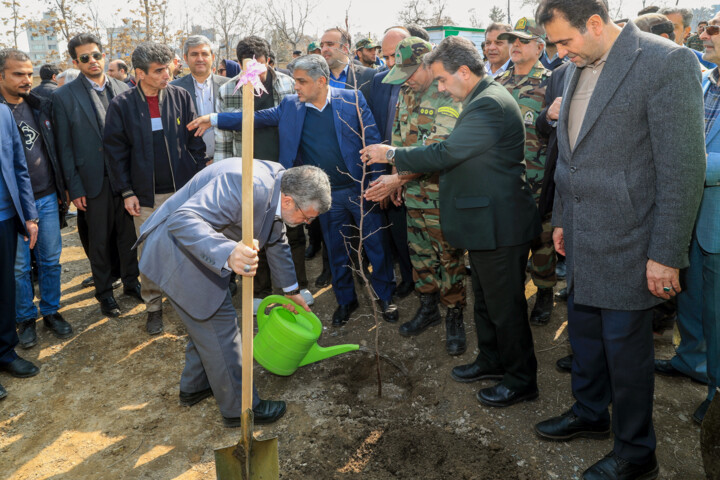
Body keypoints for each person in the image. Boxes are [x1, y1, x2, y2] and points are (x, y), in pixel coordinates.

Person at [533, 2, 706, 479]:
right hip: (584, 235)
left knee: (627, 355)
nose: (560, 52)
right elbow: (571, 155)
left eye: (564, 40)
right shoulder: (577, 67)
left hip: (634, 241)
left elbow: (682, 169)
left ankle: (636, 453)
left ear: (594, 23)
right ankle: (589, 414)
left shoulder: (666, 61)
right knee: (585, 338)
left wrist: (666, 255)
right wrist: (563, 218)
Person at [361, 35, 541, 408]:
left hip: (499, 223)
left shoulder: (488, 102)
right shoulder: (480, 96)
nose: (439, 87)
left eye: (442, 80)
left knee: (505, 306)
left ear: (463, 71)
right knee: (486, 301)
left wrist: (392, 152)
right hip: (483, 220)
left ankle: (521, 379)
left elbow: (449, 151)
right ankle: (491, 360)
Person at [189, 54, 399, 327]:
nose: (296, 86)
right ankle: (346, 299)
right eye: (296, 81)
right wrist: (214, 118)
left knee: (375, 244)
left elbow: (372, 142)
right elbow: (254, 117)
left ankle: (385, 296)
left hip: (360, 190)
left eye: (302, 81)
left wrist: (378, 183)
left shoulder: (353, 100)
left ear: (321, 81)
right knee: (336, 249)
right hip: (322, 198)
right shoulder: (291, 106)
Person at [135, 160, 328, 426]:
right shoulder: (244, 184)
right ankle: (241, 409)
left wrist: (291, 290)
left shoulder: (279, 183)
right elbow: (182, 219)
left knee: (204, 326)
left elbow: (276, 236)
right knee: (222, 330)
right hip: (178, 254)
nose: (306, 223)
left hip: (196, 254)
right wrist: (227, 252)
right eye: (307, 217)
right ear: (288, 201)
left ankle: (195, 386)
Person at [365, 38, 467, 356]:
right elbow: (398, 138)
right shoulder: (407, 92)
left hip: (441, 196)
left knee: (447, 258)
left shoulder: (447, 94)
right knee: (420, 255)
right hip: (412, 195)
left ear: (428, 64)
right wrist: (398, 180)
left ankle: (454, 316)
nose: (406, 79)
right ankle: (428, 307)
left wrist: (396, 179)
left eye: (410, 72)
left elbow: (437, 152)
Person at [104, 42, 207, 335]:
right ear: (139, 73)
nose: (167, 75)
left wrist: (196, 177)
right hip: (145, 196)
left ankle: (189, 303)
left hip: (182, 191)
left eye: (168, 68)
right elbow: (115, 153)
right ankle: (153, 307)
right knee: (150, 253)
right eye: (159, 71)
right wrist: (126, 191)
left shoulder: (180, 96)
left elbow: (194, 141)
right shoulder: (122, 105)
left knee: (188, 247)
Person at [654, 12, 720, 426]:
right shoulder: (703, 82)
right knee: (692, 300)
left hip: (715, 222)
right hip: (689, 216)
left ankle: (717, 393)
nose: (704, 34)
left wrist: (677, 163)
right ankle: (690, 360)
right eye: (705, 28)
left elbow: (694, 155)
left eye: (715, 29)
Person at [214, 36, 311, 309]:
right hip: (249, 174)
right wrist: (226, 173)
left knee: (291, 231)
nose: (253, 70)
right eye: (247, 65)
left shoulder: (288, 85)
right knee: (254, 232)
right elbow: (222, 139)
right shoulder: (228, 91)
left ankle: (298, 286)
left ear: (268, 60)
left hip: (285, 170)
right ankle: (259, 290)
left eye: (259, 63)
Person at [52, 33, 141, 318]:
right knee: (99, 241)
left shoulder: (123, 86)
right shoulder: (64, 96)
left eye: (96, 55)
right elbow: (64, 148)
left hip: (125, 180)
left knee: (129, 236)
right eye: (85, 58)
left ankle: (131, 282)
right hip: (92, 182)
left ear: (104, 55)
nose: (92, 61)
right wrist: (73, 188)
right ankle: (104, 293)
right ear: (75, 62)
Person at [0, 49, 71, 349]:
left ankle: (51, 311)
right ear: (1, 75)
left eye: (29, 73)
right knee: (18, 268)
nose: (26, 79)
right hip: (13, 205)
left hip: (46, 195)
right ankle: (25, 318)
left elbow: (56, 148)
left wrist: (63, 188)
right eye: (18, 74)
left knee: (51, 260)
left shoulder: (40, 106)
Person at [497, 18, 556, 326]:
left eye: (523, 40)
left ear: (540, 46)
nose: (515, 45)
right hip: (506, 182)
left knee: (542, 243)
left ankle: (545, 292)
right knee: (510, 243)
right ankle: (513, 294)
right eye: (512, 40)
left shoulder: (552, 82)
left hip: (539, 181)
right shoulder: (498, 83)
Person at [364, 27, 414, 299]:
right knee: (397, 232)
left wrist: (402, 171)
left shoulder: (428, 82)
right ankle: (408, 278)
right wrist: (382, 175)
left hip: (420, 173)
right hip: (387, 173)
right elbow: (375, 131)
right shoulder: (378, 81)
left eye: (395, 56)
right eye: (385, 57)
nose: (390, 63)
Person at [0, 102, 40, 400]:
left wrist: (29, 214)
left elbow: (18, 164)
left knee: (5, 289)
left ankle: (5, 352)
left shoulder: (3, 113)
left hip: (5, 215)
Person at [171, 35, 230, 160]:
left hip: (224, 160)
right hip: (189, 163)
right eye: (194, 54)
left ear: (212, 57)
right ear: (186, 58)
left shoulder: (230, 86)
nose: (200, 59)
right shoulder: (172, 89)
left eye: (204, 54)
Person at [320, 27, 374, 96]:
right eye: (322, 46)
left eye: (330, 44)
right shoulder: (315, 77)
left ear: (345, 48)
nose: (324, 49)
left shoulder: (368, 77)